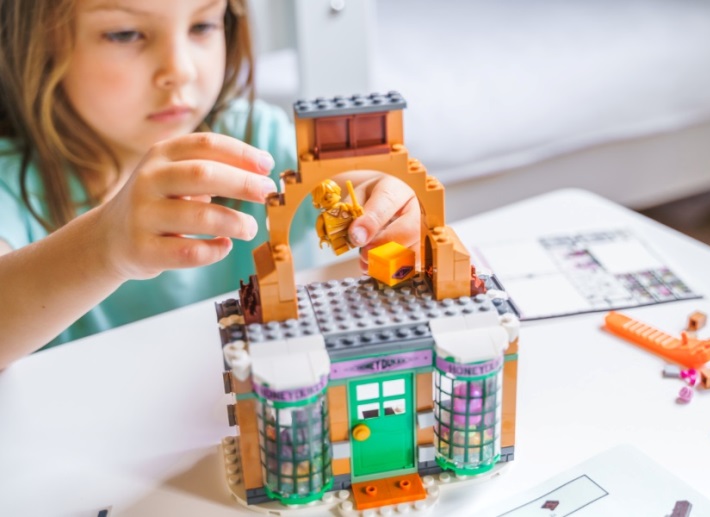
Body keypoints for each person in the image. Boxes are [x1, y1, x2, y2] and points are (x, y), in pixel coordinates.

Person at [0, 0, 420, 368]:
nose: (180, 70)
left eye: (202, 25)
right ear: (42, 41)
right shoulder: (11, 181)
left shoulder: (255, 136)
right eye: (125, 34)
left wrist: (382, 198)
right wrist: (103, 246)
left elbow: (344, 181)